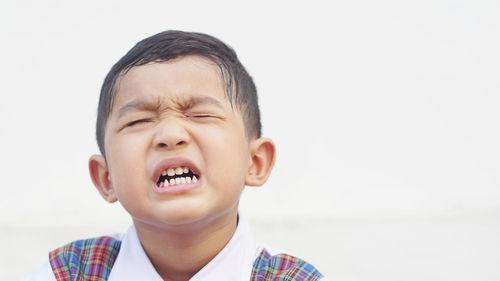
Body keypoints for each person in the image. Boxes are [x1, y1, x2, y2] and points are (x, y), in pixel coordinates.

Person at [23, 30, 326, 281]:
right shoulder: (72, 271)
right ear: (106, 178)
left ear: (256, 162)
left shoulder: (293, 277)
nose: (170, 135)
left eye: (201, 114)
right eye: (138, 121)